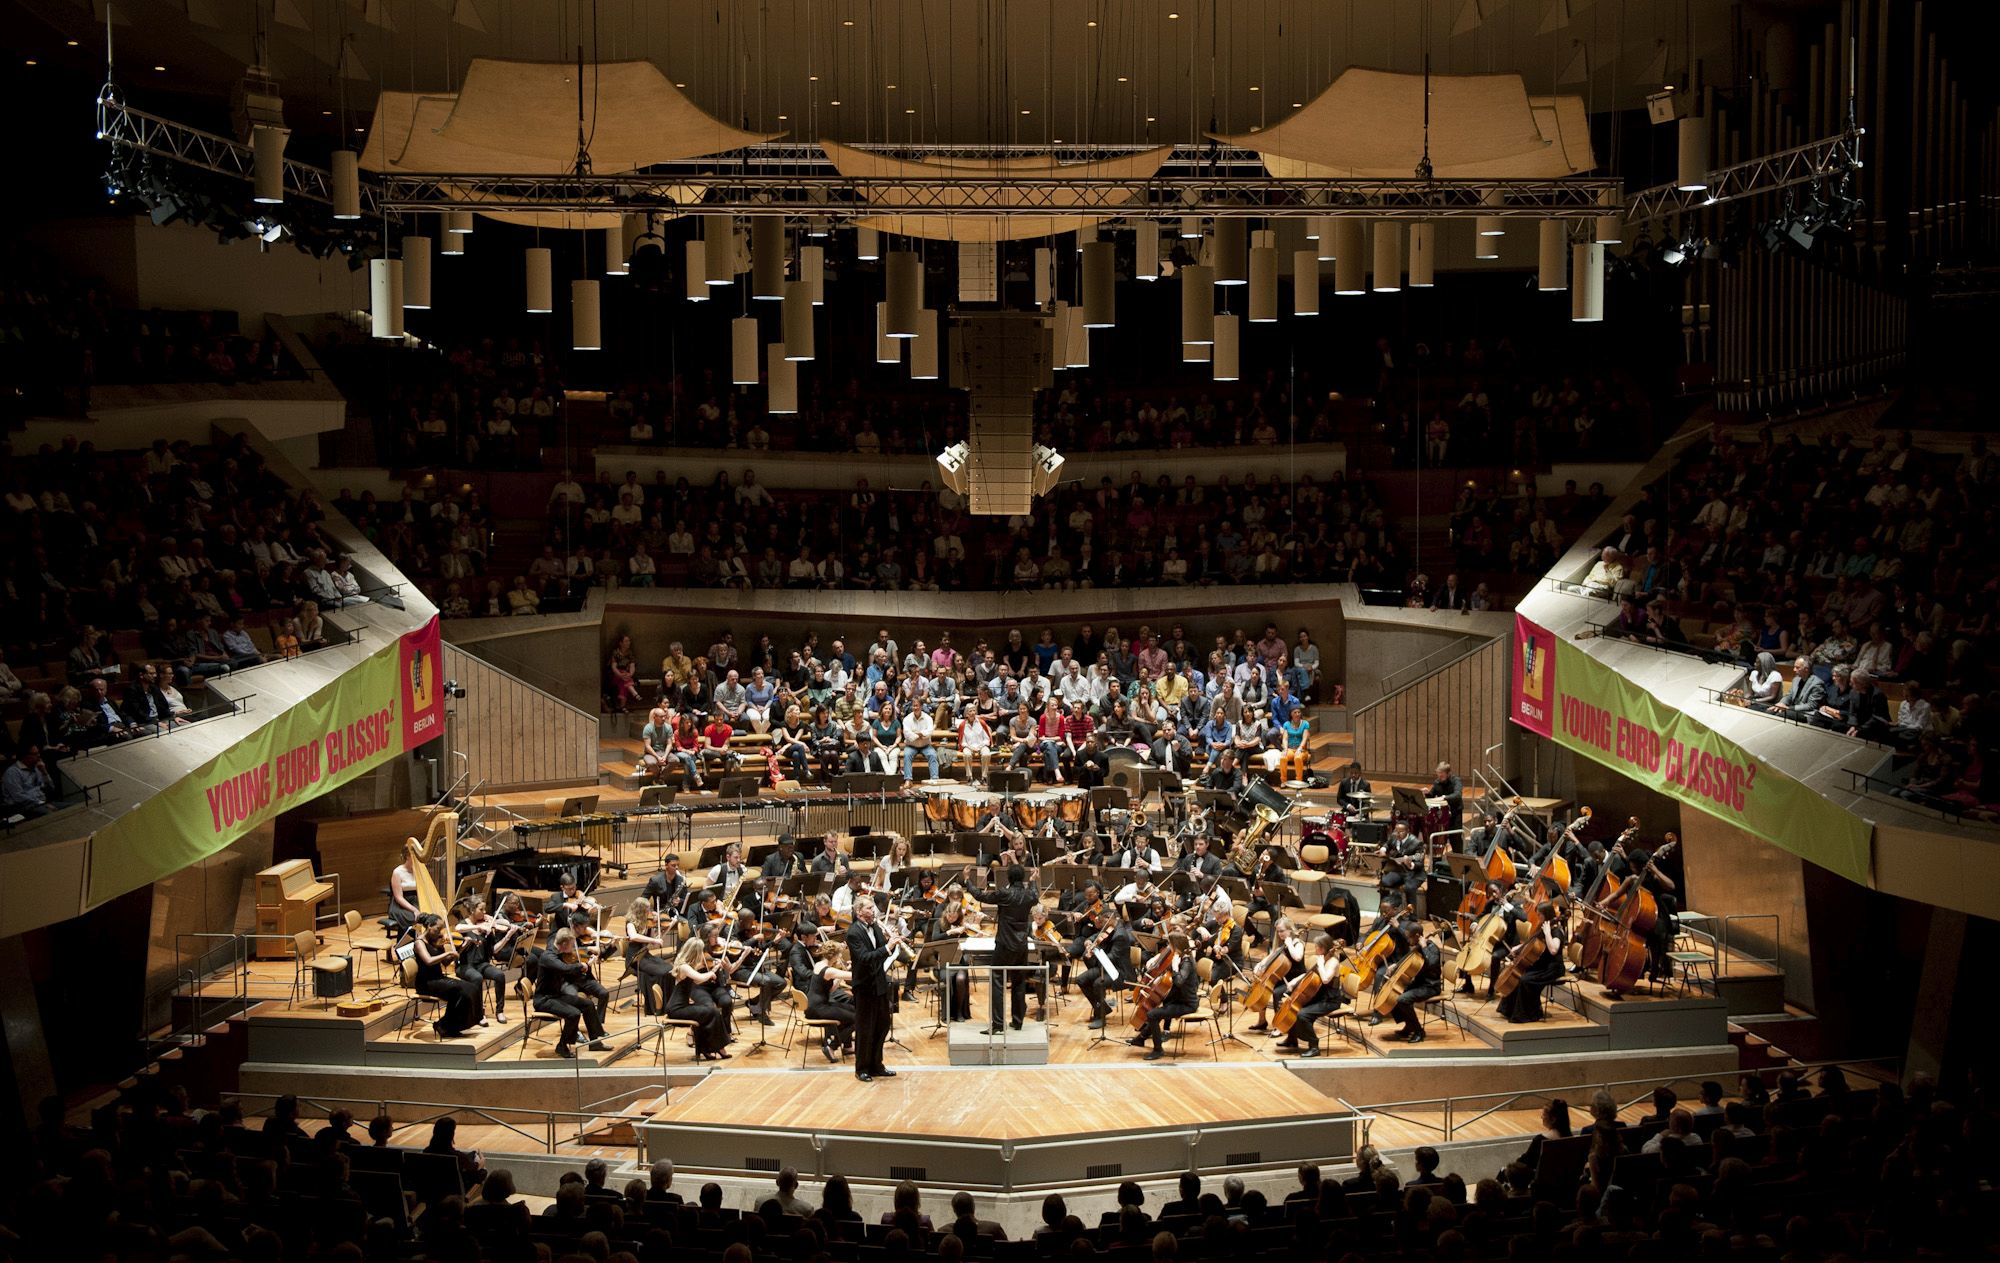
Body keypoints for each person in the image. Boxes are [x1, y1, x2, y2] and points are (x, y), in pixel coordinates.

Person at [967, 862, 1040, 1031]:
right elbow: (1036, 894)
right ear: (1021, 878)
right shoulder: (1029, 895)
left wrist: (967, 881)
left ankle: (998, 1024)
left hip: (1005, 944)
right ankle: (1017, 1021)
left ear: (1008, 877)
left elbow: (980, 896)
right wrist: (1034, 880)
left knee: (998, 981)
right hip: (1021, 945)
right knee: (1019, 982)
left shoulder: (1004, 893)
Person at [844, 895, 903, 1082]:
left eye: (872, 907)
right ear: (859, 912)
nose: (873, 910)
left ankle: (877, 1064)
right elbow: (865, 958)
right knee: (864, 1029)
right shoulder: (853, 933)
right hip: (864, 986)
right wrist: (887, 947)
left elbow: (883, 954)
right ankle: (862, 1068)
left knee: (882, 1025)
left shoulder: (876, 927)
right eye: (869, 908)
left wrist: (892, 942)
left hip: (878, 983)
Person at [533, 927, 609, 1058]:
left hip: (556, 996)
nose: (574, 947)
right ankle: (562, 1046)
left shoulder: (559, 953)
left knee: (588, 1005)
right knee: (573, 1014)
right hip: (544, 999)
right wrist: (582, 966)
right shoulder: (548, 957)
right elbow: (564, 968)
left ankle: (595, 1042)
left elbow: (570, 965)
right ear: (564, 944)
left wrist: (589, 954)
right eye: (572, 945)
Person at [1128, 933, 1200, 1061]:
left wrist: (1175, 967)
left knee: (1152, 1015)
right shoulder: (1181, 957)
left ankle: (1158, 1050)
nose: (1169, 947)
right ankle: (1141, 1039)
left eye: (1170, 944)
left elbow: (1179, 981)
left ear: (1176, 945)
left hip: (1187, 1004)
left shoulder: (1186, 962)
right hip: (1178, 999)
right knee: (1156, 1010)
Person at [411, 913, 482, 1039]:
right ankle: (444, 1025)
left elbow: (445, 963)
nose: (440, 932)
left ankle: (451, 1026)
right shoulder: (419, 943)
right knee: (460, 992)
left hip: (439, 978)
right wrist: (447, 952)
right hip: (427, 982)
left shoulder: (436, 941)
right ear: (428, 926)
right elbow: (428, 960)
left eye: (441, 929)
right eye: (437, 929)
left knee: (472, 988)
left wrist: (460, 950)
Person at [1496, 903, 1567, 1023]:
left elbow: (1553, 950)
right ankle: (1509, 1010)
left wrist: (1548, 933)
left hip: (1553, 967)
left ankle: (1530, 1014)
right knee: (1518, 976)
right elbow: (1533, 941)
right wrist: (1518, 948)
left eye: (1540, 915)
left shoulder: (1556, 931)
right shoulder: (1543, 926)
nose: (1538, 917)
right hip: (1541, 964)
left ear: (1546, 915)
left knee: (1526, 980)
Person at [665, 937, 732, 1060]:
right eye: (700, 951)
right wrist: (711, 973)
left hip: (680, 1006)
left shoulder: (686, 965)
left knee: (709, 1011)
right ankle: (718, 1048)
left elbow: (697, 979)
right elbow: (700, 978)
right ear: (695, 952)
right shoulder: (684, 967)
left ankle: (706, 1049)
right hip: (677, 1009)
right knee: (713, 1011)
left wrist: (714, 969)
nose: (702, 954)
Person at [1386, 921, 1443, 1043]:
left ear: (1417, 936)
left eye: (1409, 937)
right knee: (1392, 994)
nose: (1407, 940)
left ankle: (1419, 1031)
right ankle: (1409, 1025)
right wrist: (1396, 965)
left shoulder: (1432, 948)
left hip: (1431, 986)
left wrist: (1424, 947)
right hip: (1420, 983)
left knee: (1403, 999)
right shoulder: (1416, 948)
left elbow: (1432, 963)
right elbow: (1408, 958)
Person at [806, 942, 857, 1062]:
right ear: (833, 956)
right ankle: (832, 1047)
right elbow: (853, 976)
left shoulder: (819, 964)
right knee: (857, 1018)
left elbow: (831, 989)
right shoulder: (828, 970)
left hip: (815, 1005)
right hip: (818, 1009)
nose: (840, 957)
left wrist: (840, 976)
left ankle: (848, 1046)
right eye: (839, 955)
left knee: (851, 1010)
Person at [1, 746, 56, 818]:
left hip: (42, 803)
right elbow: (18, 797)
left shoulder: (36, 767)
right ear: (24, 756)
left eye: (38, 753)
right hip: (24, 808)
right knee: (53, 815)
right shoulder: (12, 772)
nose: (38, 755)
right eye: (35, 754)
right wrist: (41, 803)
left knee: (70, 807)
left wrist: (44, 772)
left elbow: (51, 788)